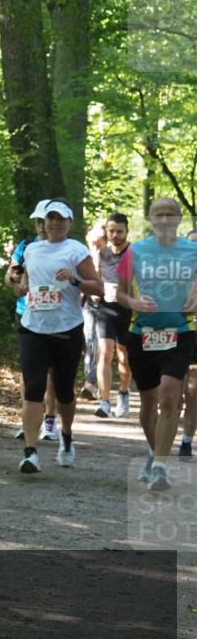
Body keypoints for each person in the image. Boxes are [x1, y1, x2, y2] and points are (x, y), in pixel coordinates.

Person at [116, 198, 197, 491]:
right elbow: (120, 294)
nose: (164, 220)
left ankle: (161, 466)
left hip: (181, 330)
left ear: (179, 218)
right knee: (149, 402)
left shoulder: (193, 251)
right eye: (159, 215)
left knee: (168, 397)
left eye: (170, 214)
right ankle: (154, 451)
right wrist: (135, 302)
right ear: (150, 218)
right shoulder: (135, 251)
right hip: (142, 332)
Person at [16, 199, 102, 473]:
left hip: (66, 328)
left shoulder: (76, 250)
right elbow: (27, 282)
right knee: (33, 387)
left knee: (64, 391)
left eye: (61, 220)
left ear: (69, 223)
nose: (55, 224)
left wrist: (75, 280)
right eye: (50, 219)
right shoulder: (31, 249)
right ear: (43, 222)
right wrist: (21, 287)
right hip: (33, 327)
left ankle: (66, 436)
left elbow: (98, 287)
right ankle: (30, 452)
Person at [5, 202, 59, 441]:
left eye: (44, 221)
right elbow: (10, 274)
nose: (40, 226)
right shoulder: (25, 246)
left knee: (50, 371)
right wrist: (16, 283)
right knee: (29, 372)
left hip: (55, 316)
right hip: (26, 313)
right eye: (37, 221)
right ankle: (28, 421)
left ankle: (49, 420)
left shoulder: (65, 248)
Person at [89, 213, 133, 418]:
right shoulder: (102, 253)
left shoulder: (134, 253)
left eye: (119, 231)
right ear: (106, 231)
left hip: (128, 309)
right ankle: (104, 401)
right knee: (104, 353)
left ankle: (123, 392)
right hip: (105, 308)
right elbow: (94, 275)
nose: (115, 235)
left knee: (124, 356)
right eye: (111, 231)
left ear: (126, 231)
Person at [80, 222, 106, 401]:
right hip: (87, 305)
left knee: (103, 347)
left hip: (109, 306)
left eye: (97, 243)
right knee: (90, 343)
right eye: (91, 243)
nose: (94, 246)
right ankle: (90, 383)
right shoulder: (83, 256)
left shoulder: (112, 256)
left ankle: (99, 384)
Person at [178, 228, 197, 460]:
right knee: (170, 393)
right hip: (173, 333)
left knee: (193, 391)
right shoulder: (172, 274)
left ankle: (186, 441)